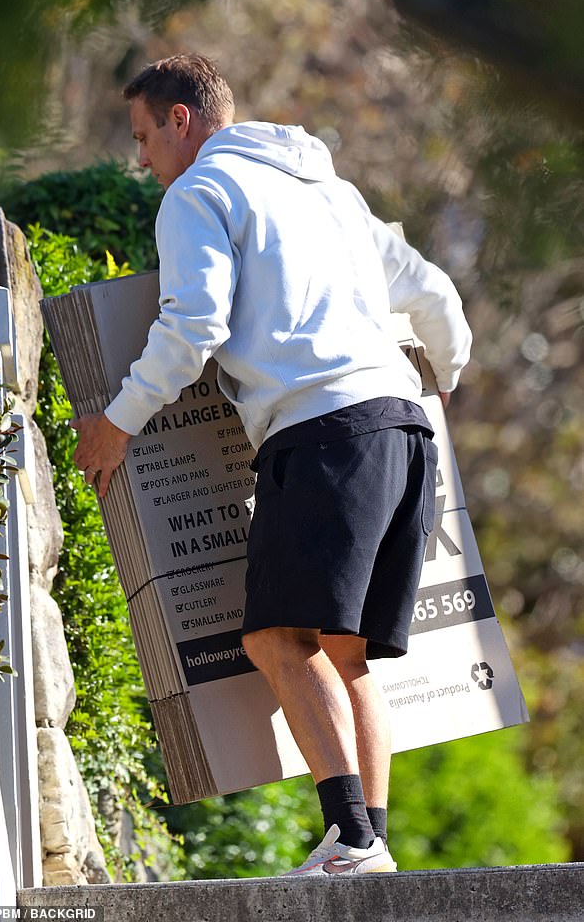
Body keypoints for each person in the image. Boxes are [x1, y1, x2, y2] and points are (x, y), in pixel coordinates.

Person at [73, 53, 472, 876]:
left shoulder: (199, 193)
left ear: (182, 119)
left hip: (321, 431)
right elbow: (433, 295)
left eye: (145, 136)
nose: (141, 159)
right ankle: (368, 847)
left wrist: (116, 424)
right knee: (346, 651)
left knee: (274, 640)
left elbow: (193, 326)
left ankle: (352, 838)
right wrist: (445, 379)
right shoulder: (330, 191)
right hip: (402, 428)